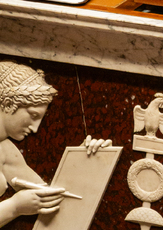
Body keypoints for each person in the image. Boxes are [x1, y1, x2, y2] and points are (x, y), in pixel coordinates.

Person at [0, 61, 111, 229]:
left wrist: (84, 158)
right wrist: (14, 207)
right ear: (8, 104)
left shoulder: (5, 151)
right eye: (33, 115)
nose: (35, 128)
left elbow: (53, 196)